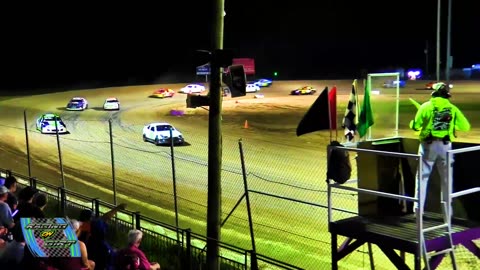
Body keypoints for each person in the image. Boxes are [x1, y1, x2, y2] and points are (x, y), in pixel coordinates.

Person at [410, 82, 471, 214]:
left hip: (428, 146)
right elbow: (466, 127)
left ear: (434, 93)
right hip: (446, 147)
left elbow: (415, 126)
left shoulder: (426, 107)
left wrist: (413, 124)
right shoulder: (452, 108)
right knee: (446, 180)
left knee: (422, 179)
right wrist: (452, 125)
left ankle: (418, 212)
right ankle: (447, 213)